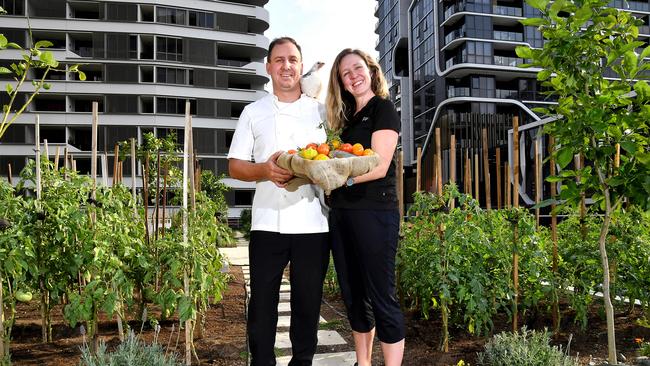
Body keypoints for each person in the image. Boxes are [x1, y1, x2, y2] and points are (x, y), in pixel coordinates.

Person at [227, 37, 330, 366]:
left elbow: (335, 158)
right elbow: (235, 166)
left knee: (308, 304)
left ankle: (302, 362)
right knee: (262, 307)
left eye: (294, 60)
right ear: (269, 67)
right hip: (267, 222)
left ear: (301, 67)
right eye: (280, 60)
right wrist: (264, 170)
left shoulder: (320, 112)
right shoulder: (253, 112)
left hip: (313, 223)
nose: (287, 66)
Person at [325, 48, 405, 366]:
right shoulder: (346, 122)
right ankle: (363, 362)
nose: (353, 75)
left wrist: (341, 180)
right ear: (342, 83)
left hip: (375, 212)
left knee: (381, 296)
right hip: (342, 215)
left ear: (371, 71)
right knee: (353, 295)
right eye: (346, 73)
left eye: (358, 68)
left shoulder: (382, 109)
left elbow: (380, 166)